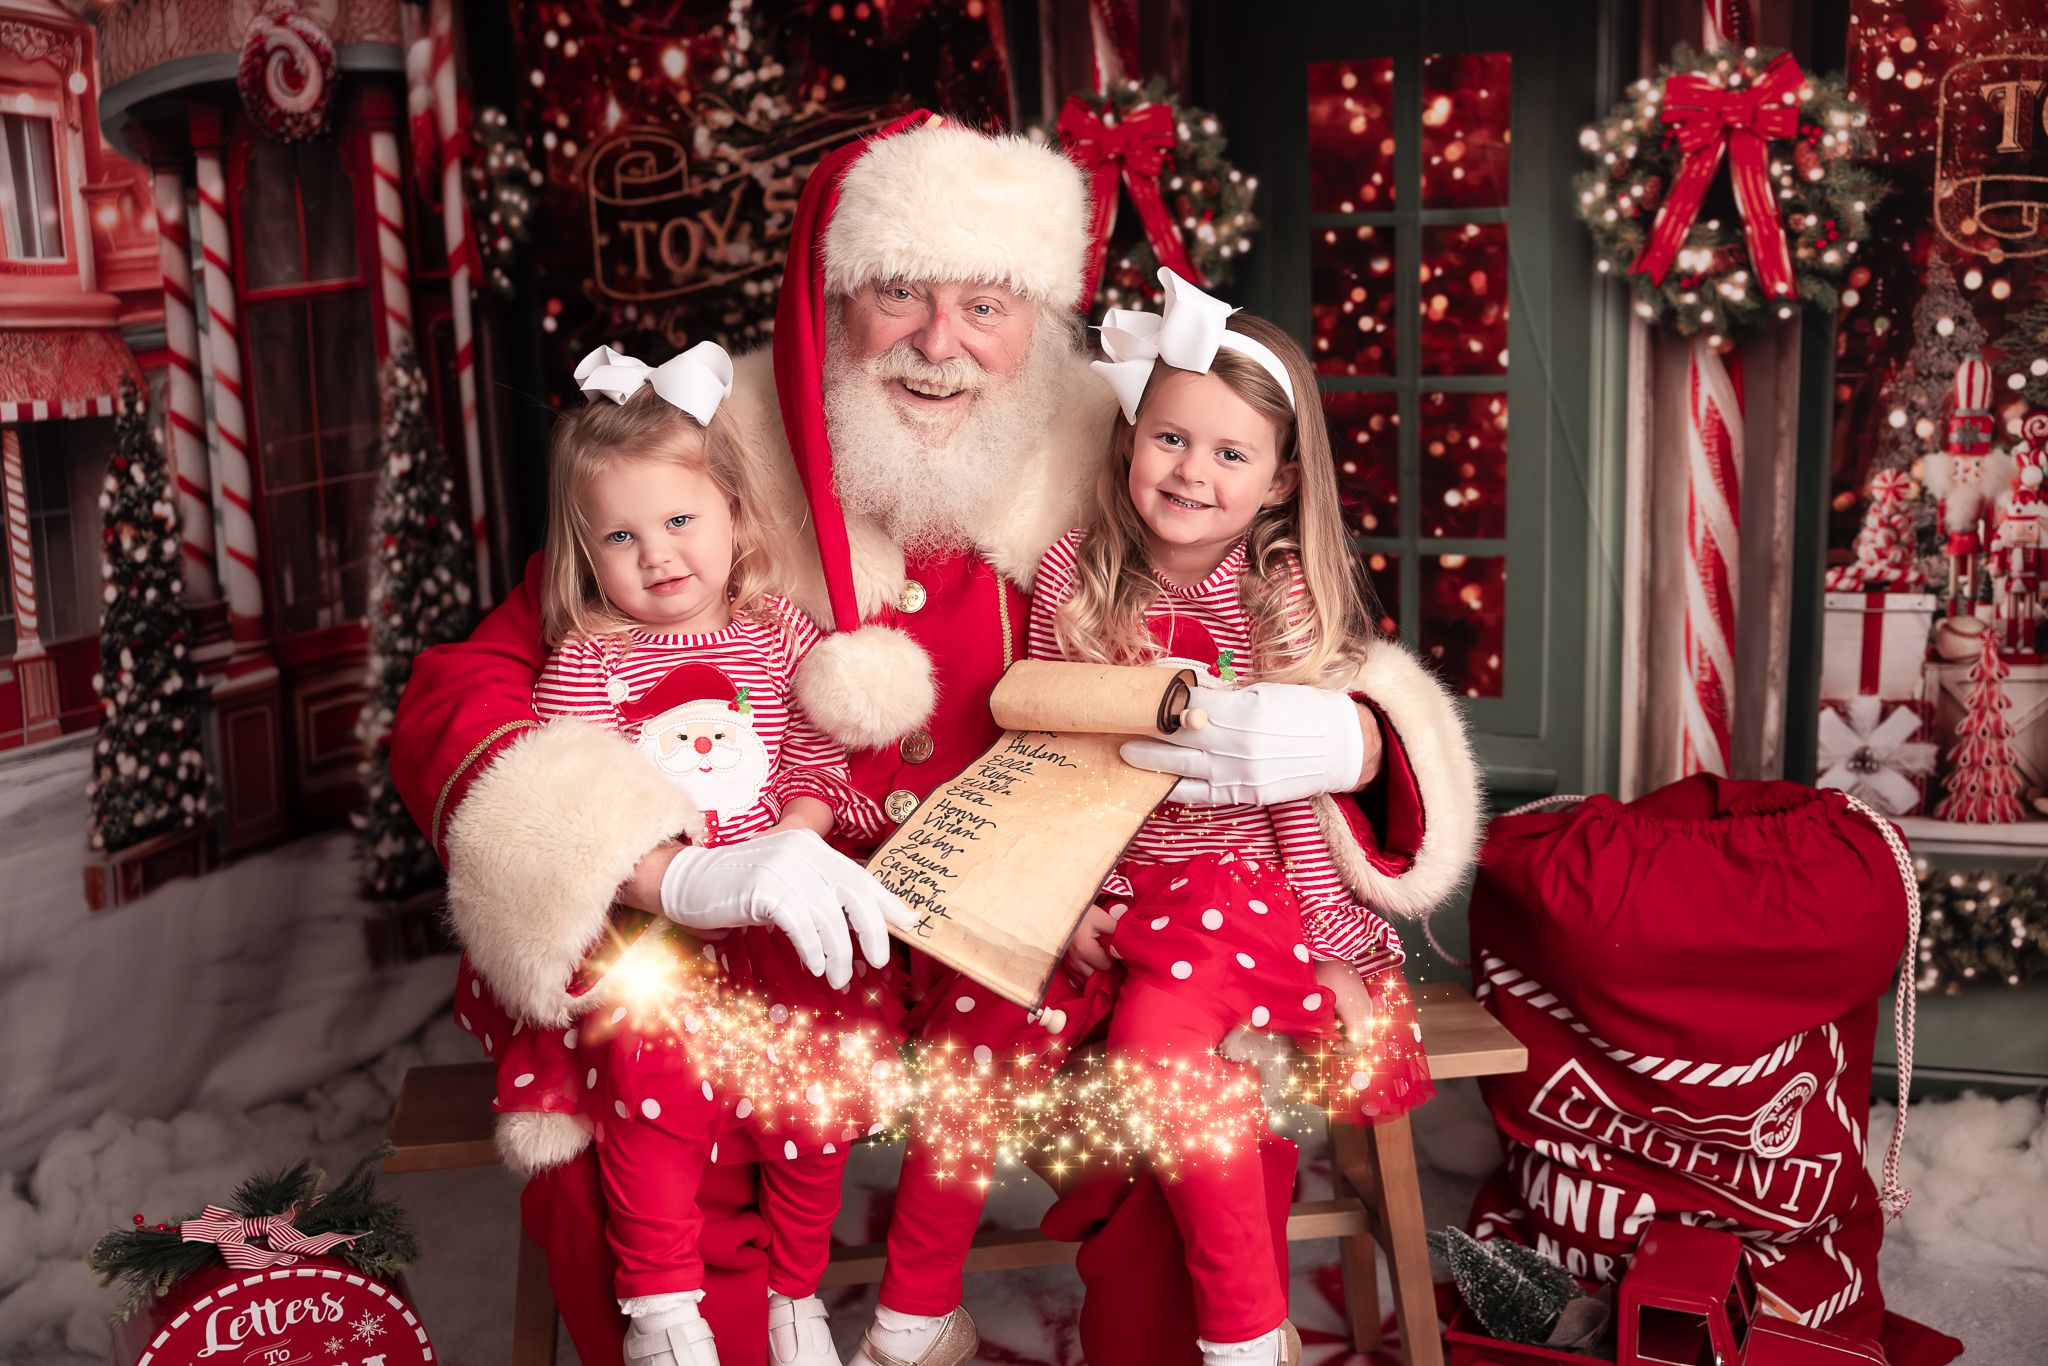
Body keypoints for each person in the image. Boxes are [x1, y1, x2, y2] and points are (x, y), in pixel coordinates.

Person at [390, 111, 1484, 1366]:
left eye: (985, 302)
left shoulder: (1135, 442)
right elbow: (469, 683)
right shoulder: (710, 443)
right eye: (897, 292)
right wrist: (666, 868)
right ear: (832, 296)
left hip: (1041, 932)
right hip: (780, 943)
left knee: (1171, 1101)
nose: (937, 342)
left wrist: (1349, 743)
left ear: (1038, 316)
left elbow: (1319, 633)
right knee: (640, 1116)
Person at [852, 275, 1434, 1366]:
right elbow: (1041, 754)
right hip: (1095, 874)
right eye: (1168, 437)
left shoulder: (1273, 597)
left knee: (1158, 1055)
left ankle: (1245, 1333)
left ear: (1277, 480)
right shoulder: (1074, 573)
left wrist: (1338, 942)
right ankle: (913, 1313)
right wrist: (1054, 901)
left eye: (1228, 453)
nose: (1190, 471)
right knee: (975, 1031)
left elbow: (1295, 791)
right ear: (1128, 439)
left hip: (1227, 890)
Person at [476, 339, 909, 1366]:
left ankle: (795, 1293)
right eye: (621, 536)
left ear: (732, 515)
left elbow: (815, 751)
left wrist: (796, 840)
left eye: (679, 520)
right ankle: (662, 1304)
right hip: (660, 935)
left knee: (813, 1096)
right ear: (586, 551)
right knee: (651, 1092)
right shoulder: (591, 662)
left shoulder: (776, 633)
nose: (658, 553)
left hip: (782, 923)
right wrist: (676, 871)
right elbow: (577, 794)